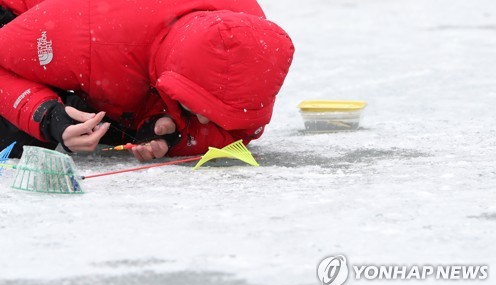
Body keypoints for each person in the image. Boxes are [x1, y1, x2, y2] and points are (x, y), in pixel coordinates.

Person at [0, 0, 294, 161]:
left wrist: (169, 130)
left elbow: (237, 133)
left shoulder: (250, 38)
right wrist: (46, 115)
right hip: (23, 25)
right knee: (18, 147)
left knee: (105, 125)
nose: (206, 122)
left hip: (108, 67)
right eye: (205, 108)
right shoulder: (85, 39)